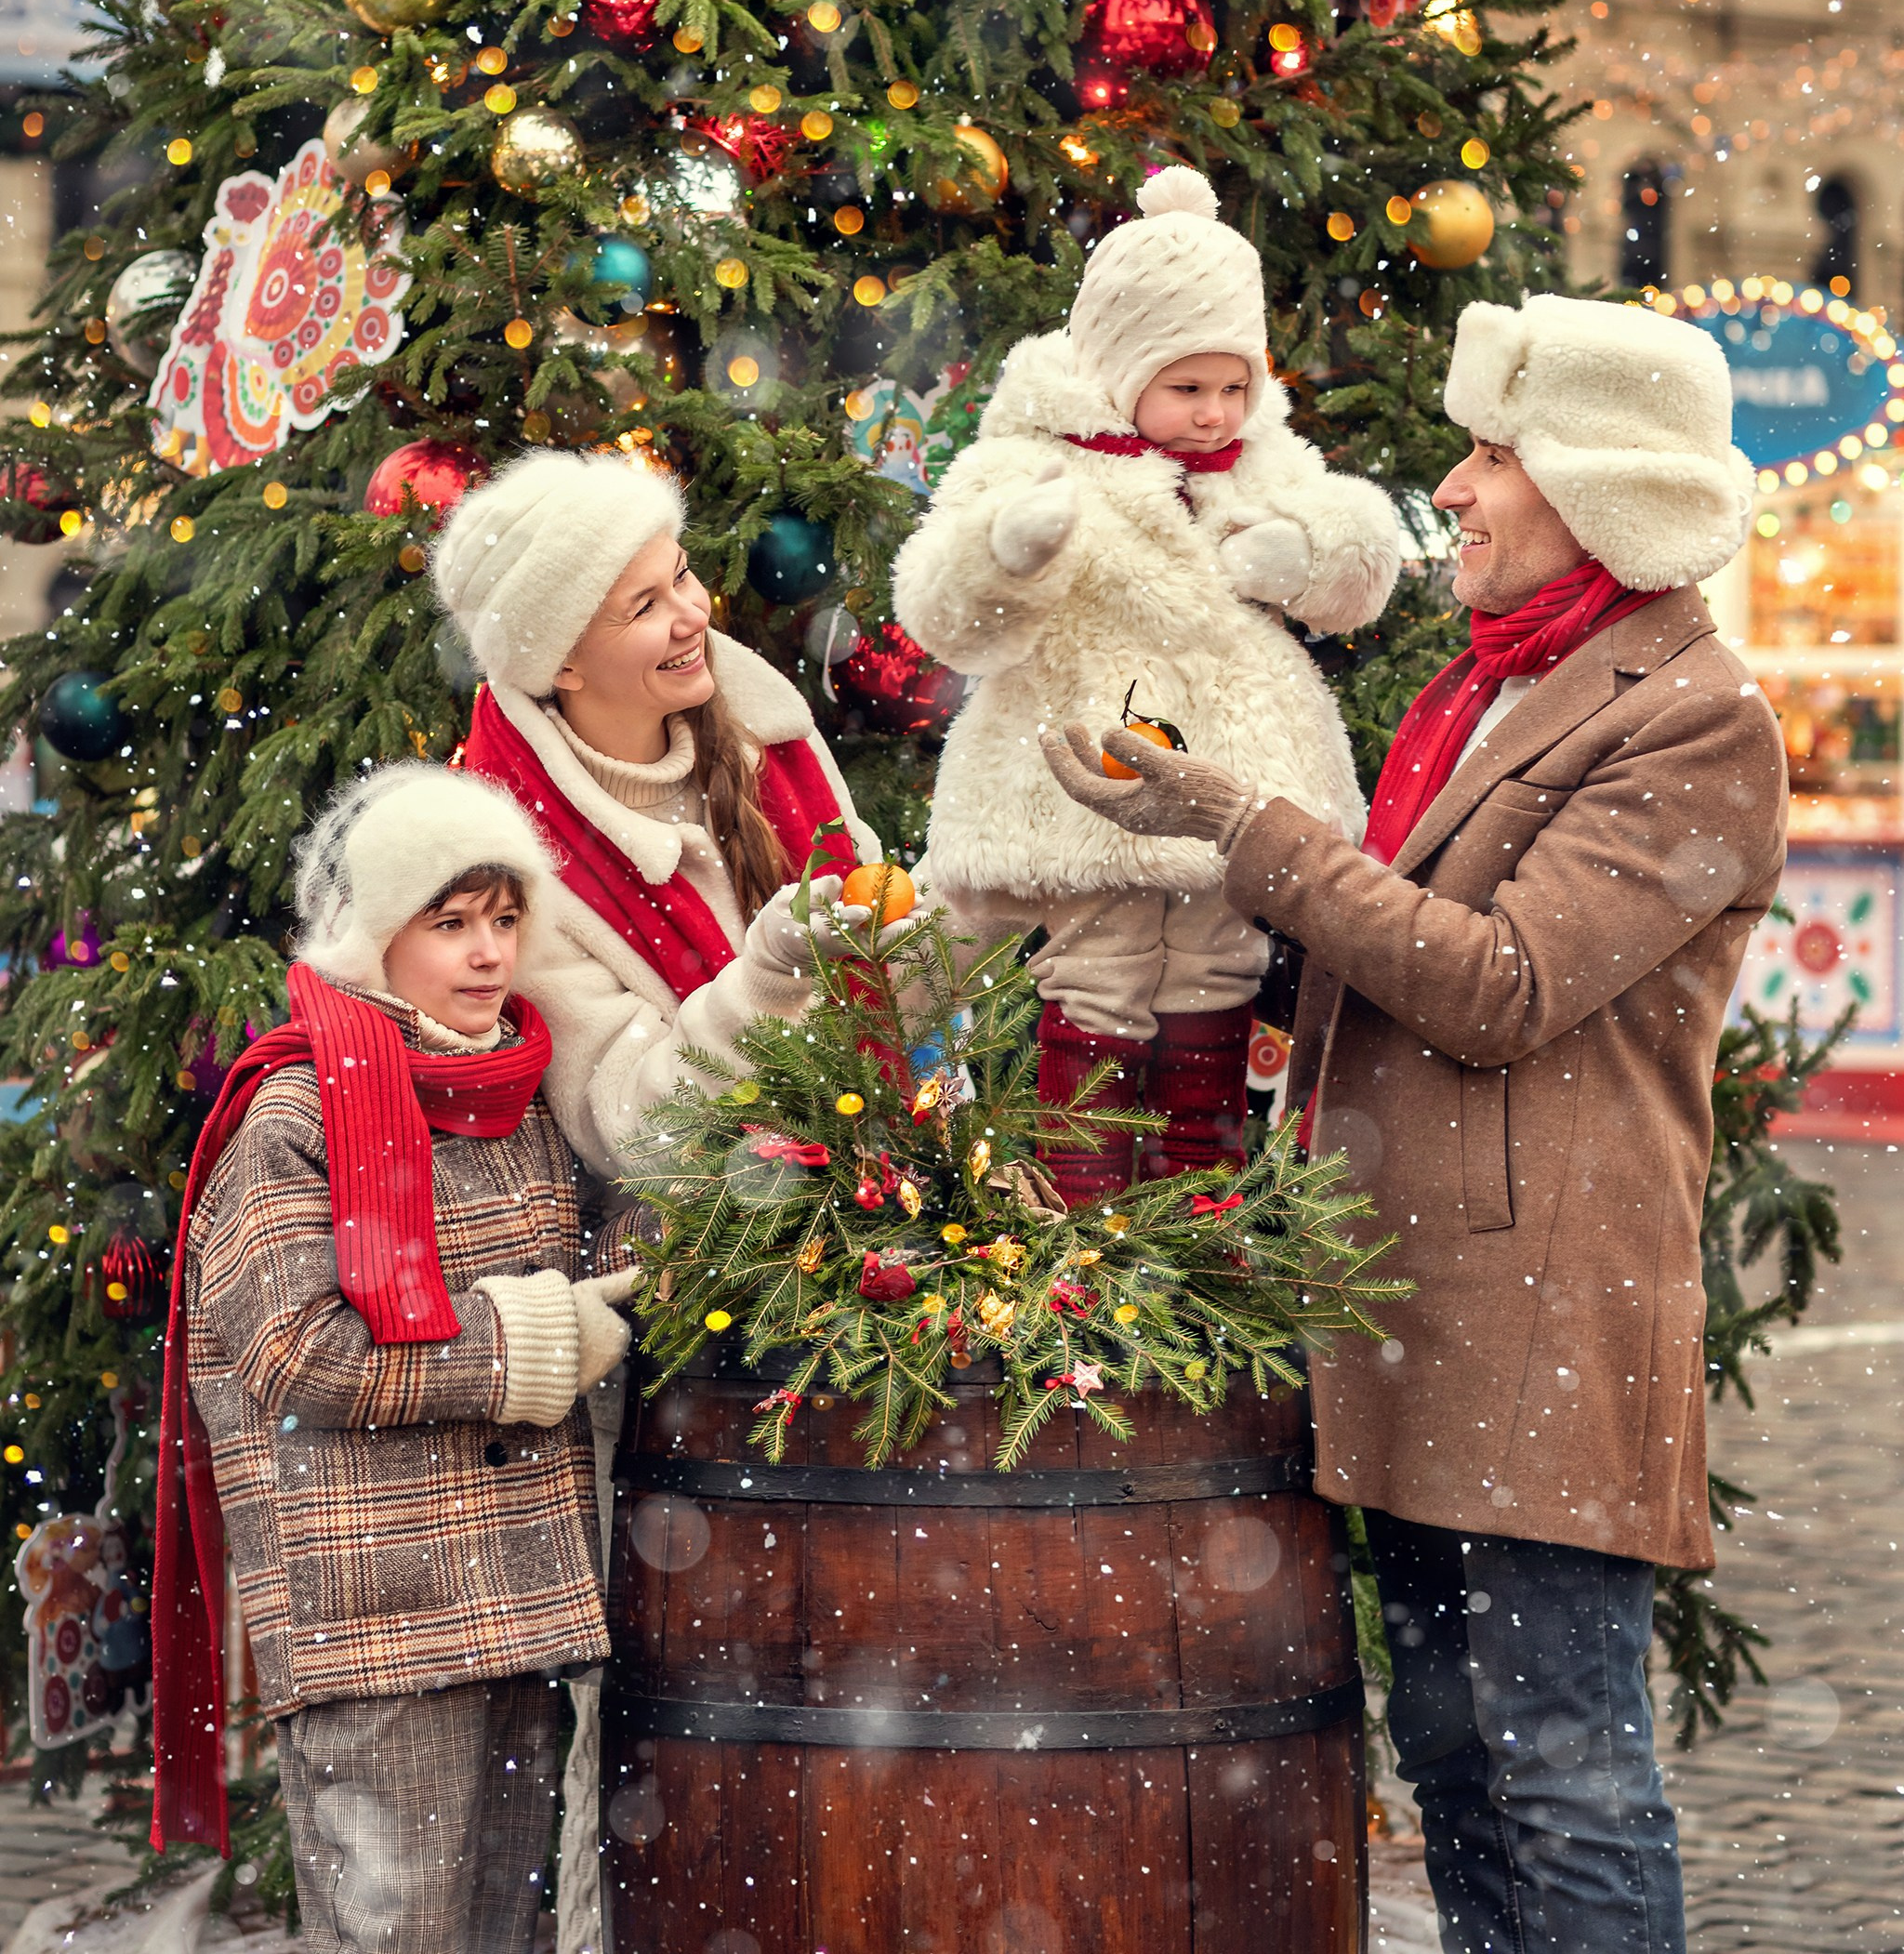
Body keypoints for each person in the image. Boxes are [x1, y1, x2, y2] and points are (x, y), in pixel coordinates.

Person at [1041, 291, 1786, 1954]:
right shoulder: (1498, 683)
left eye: (1491, 456)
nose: (1448, 489)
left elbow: (1502, 986)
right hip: (1423, 1307)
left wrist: (1241, 822)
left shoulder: (1691, 712)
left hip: (1541, 1322)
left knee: (1563, 1775)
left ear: (1594, 489)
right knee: (1457, 1759)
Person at [151, 763, 641, 1954]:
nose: (487, 954)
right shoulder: (300, 1111)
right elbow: (294, 1347)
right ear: (378, 935)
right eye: (450, 922)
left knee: (500, 1934)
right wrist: (525, 1345)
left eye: (507, 918)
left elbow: (597, 1238)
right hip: (376, 1619)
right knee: (396, 1937)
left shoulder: (522, 1095)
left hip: (521, 1600)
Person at [892, 163, 1400, 1201]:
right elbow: (940, 609)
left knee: (1217, 960)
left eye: (1233, 386)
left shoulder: (1261, 461)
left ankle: (1195, 1192)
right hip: (1088, 764)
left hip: (1232, 763)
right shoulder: (1033, 461)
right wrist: (1006, 553)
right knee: (1099, 960)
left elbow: (1360, 552)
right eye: (1186, 387)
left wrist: (1305, 558)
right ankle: (1087, 1196)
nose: (1214, 415)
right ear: (1120, 369)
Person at [429, 449, 877, 1178]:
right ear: (561, 666)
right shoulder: (520, 861)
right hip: (723, 1256)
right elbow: (628, 1133)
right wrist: (767, 980)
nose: (693, 613)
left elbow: (900, 978)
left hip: (891, 1171)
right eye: (644, 607)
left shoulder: (770, 739)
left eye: (681, 576)